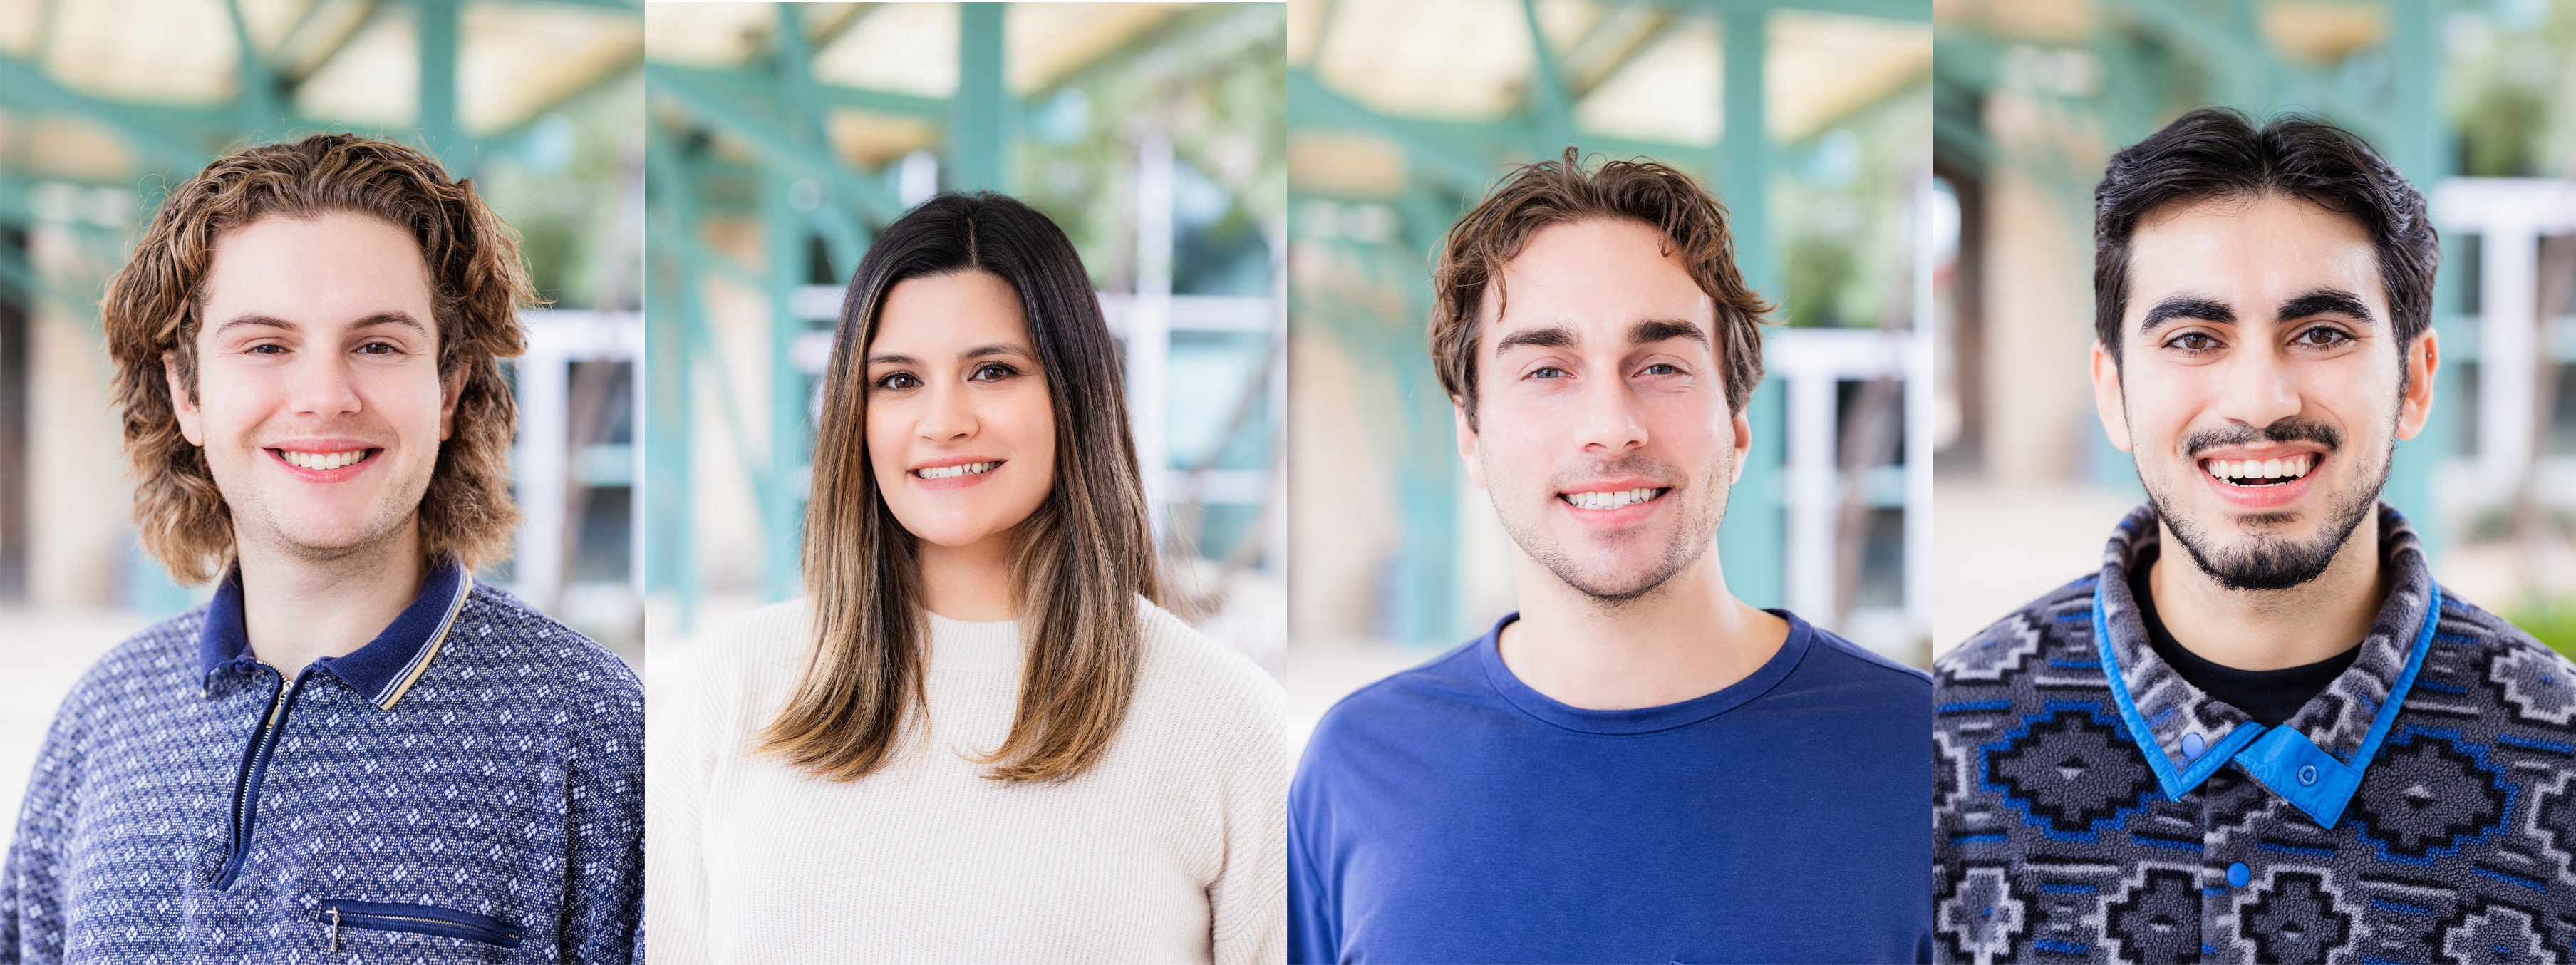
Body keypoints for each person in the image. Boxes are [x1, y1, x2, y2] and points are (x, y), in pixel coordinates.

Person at [1932, 108, 2576, 963]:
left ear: (2415, 382)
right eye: (2195, 338)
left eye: (2321, 333)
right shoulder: (1941, 752)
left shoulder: (2563, 757)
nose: (2261, 400)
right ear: (2114, 390)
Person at [0, 134, 643, 961]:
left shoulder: (595, 736)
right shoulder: (103, 719)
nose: (324, 398)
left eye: (377, 345)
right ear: (186, 392)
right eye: (266, 345)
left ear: (447, 388)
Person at [1288, 149, 1934, 964]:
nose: (1611, 423)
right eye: (1548, 369)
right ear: (1471, 433)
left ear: (1735, 426)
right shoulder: (1357, 769)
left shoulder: (1928, 759)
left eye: (1661, 365)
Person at [646, 192, 1287, 963]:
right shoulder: (732, 686)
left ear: (1073, 393)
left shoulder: (1221, 718)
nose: (944, 420)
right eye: (898, 380)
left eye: (992, 370)